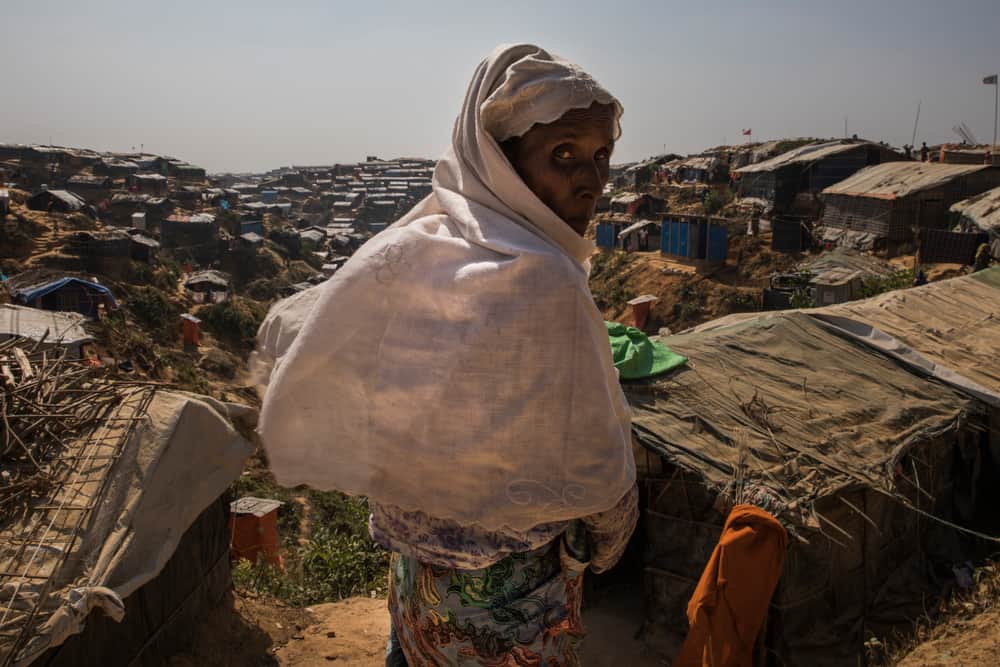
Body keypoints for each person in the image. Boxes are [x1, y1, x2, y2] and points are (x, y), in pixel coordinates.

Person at [255, 44, 637, 666]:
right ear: (502, 159)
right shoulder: (548, 280)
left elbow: (313, 345)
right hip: (513, 591)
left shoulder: (414, 245)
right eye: (562, 154)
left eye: (600, 155)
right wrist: (613, 537)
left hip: (417, 574)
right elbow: (592, 453)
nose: (590, 178)